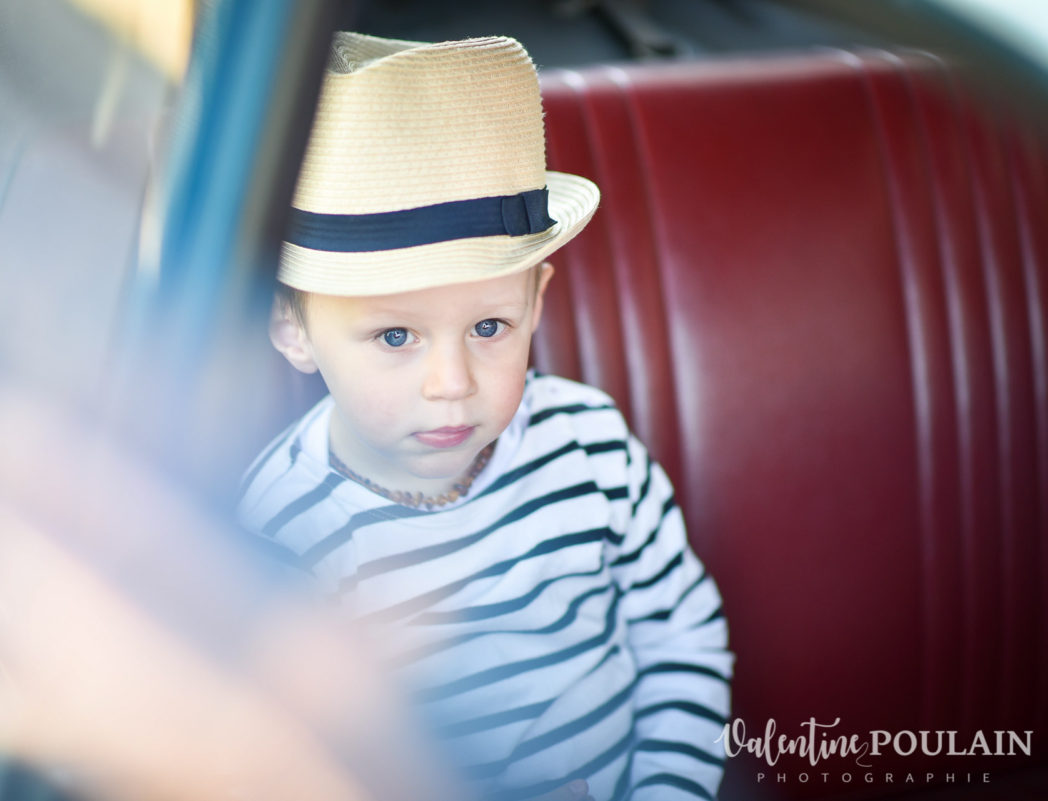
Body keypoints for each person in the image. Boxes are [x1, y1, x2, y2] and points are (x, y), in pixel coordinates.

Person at [238, 31, 732, 801]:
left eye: (490, 326)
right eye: (395, 336)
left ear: (537, 301)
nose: (452, 383)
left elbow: (682, 636)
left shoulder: (593, 450)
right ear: (292, 328)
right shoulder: (284, 532)